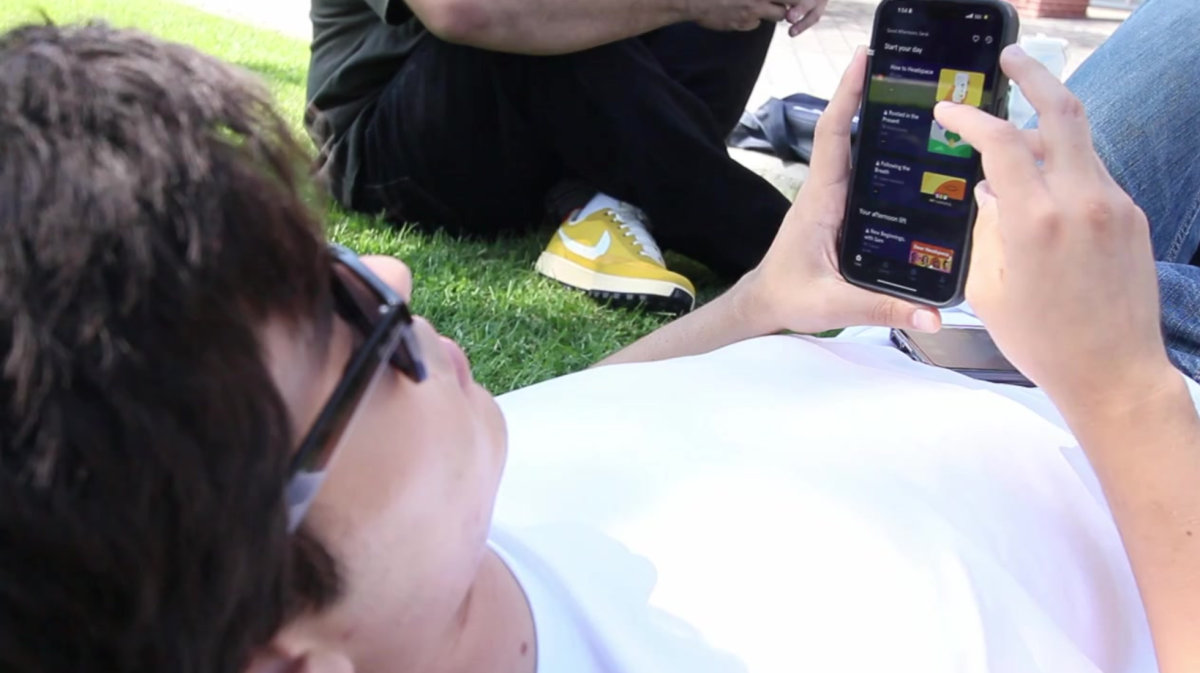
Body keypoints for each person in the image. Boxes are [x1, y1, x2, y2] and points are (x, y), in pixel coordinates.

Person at [2, 1, 1199, 671]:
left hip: (968, 313)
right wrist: (1124, 386)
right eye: (349, 329)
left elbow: (572, 424)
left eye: (328, 255)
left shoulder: (409, 534)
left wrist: (768, 299)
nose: (394, 277)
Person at [305, 0, 831, 314]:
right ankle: (797, 244)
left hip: (527, 140)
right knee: (521, 26)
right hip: (388, 148)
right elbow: (466, 14)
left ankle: (598, 205)